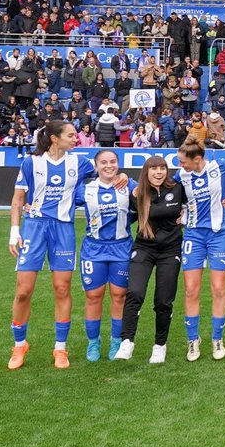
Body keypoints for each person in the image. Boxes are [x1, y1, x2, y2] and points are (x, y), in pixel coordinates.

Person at [8, 120, 98, 370]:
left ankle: (60, 348)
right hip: (34, 228)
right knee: (23, 290)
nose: (76, 138)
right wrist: (14, 232)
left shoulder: (79, 162)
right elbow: (17, 200)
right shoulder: (31, 163)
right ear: (54, 138)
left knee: (62, 288)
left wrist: (122, 175)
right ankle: (19, 344)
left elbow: (105, 172)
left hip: (63, 229)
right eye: (70, 135)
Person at [113, 156, 188, 364]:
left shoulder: (178, 188)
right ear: (146, 172)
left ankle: (159, 346)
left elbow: (199, 201)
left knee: (163, 300)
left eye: (162, 168)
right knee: (135, 292)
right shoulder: (137, 193)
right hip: (144, 247)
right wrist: (123, 177)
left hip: (170, 250)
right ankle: (127, 342)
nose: (158, 172)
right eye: (153, 169)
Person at [176, 139, 225, 362]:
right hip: (193, 235)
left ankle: (217, 338)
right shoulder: (181, 175)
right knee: (191, 289)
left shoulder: (220, 166)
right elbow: (160, 185)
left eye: (183, 162)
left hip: (220, 234)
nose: (180, 165)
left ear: (197, 159)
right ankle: (193, 340)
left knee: (219, 287)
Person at [76, 149, 134, 362]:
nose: (108, 166)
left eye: (112, 162)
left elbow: (150, 196)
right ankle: (93, 343)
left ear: (118, 164)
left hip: (122, 248)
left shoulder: (128, 185)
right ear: (96, 165)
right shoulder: (85, 189)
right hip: (93, 250)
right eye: (103, 162)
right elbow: (62, 200)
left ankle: (116, 341)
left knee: (119, 296)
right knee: (93, 297)